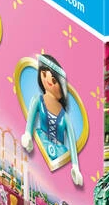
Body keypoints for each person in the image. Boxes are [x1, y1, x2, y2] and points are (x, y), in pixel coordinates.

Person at [21, 54, 83, 186]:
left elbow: (72, 141)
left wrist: (75, 167)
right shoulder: (38, 101)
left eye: (54, 81)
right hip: (41, 142)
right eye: (44, 75)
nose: (48, 81)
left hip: (59, 152)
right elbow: (31, 120)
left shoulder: (65, 117)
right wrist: (28, 134)